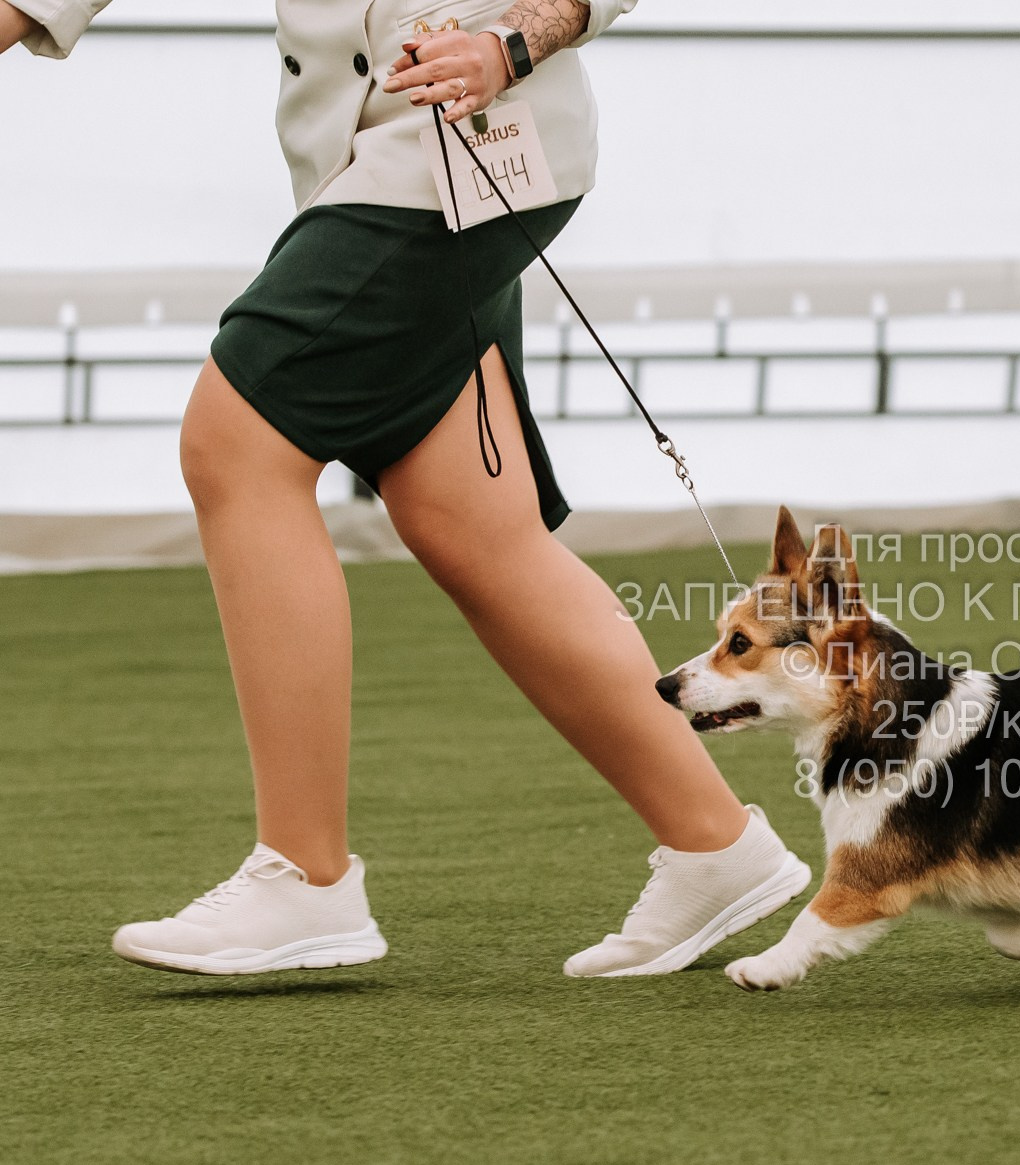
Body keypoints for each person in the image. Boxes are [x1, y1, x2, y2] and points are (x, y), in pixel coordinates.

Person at [3, 0, 812, 977]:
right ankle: (714, 844)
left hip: (466, 147)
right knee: (473, 528)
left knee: (237, 444)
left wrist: (506, 43)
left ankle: (306, 879)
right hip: (373, 166)